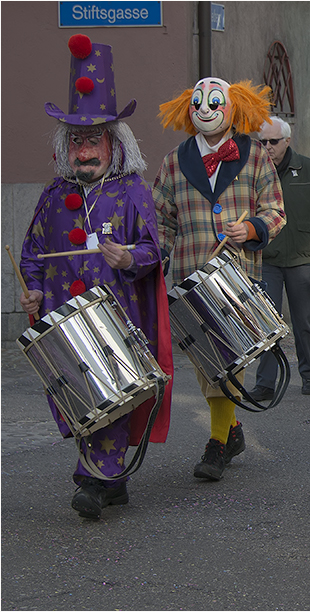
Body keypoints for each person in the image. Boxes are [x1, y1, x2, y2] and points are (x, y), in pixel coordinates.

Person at [18, 34, 173, 519]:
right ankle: (113, 478)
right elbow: (32, 254)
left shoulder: (132, 192)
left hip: (117, 315)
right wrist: (34, 289)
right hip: (64, 317)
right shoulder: (52, 195)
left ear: (114, 142)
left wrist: (130, 260)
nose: (85, 149)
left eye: (94, 139)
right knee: (76, 396)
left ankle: (95, 479)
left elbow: (155, 249)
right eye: (77, 141)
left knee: (109, 396)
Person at [153, 77, 286, 481]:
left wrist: (253, 230)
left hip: (237, 276)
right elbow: (161, 220)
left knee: (228, 359)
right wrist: (152, 262)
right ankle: (232, 430)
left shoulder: (255, 156)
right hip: (189, 274)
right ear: (187, 107)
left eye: (214, 101)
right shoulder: (174, 161)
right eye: (198, 101)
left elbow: (276, 210)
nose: (205, 108)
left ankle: (216, 445)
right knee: (203, 360)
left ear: (233, 107)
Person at [245, 116, 310, 401]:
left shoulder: (309, 169)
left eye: (273, 141)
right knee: (266, 321)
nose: (267, 147)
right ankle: (265, 382)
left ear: (287, 141)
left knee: (303, 320)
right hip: (266, 257)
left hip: (302, 257)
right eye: (262, 141)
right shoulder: (253, 173)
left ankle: (309, 375)